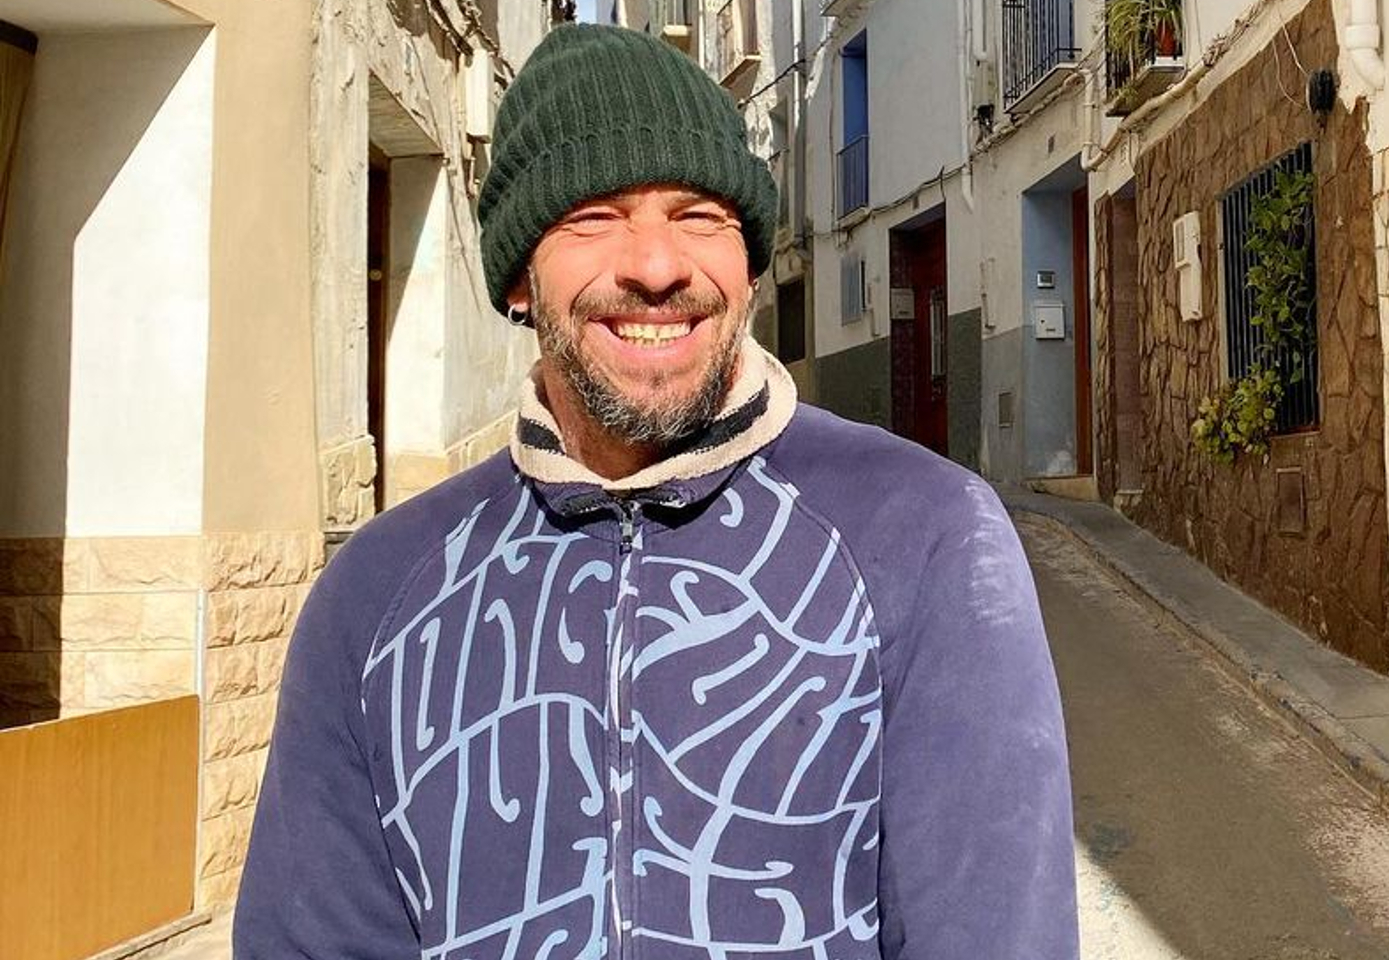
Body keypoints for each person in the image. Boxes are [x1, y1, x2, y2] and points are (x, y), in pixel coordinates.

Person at [234, 23, 1077, 960]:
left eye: (699, 215)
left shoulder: (926, 538)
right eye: (594, 216)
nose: (656, 264)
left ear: (748, 263)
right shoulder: (374, 600)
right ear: (519, 278)